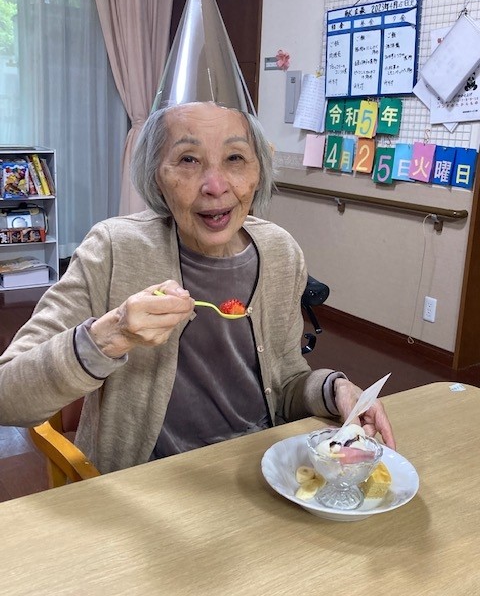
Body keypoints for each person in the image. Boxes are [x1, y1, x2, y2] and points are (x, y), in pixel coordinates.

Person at [0, 100, 395, 474]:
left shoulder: (280, 252)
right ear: (157, 176)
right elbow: (7, 396)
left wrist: (333, 389)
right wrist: (110, 336)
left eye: (235, 158)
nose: (215, 185)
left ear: (258, 173)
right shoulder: (113, 249)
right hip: (146, 483)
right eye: (188, 160)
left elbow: (287, 383)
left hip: (264, 470)